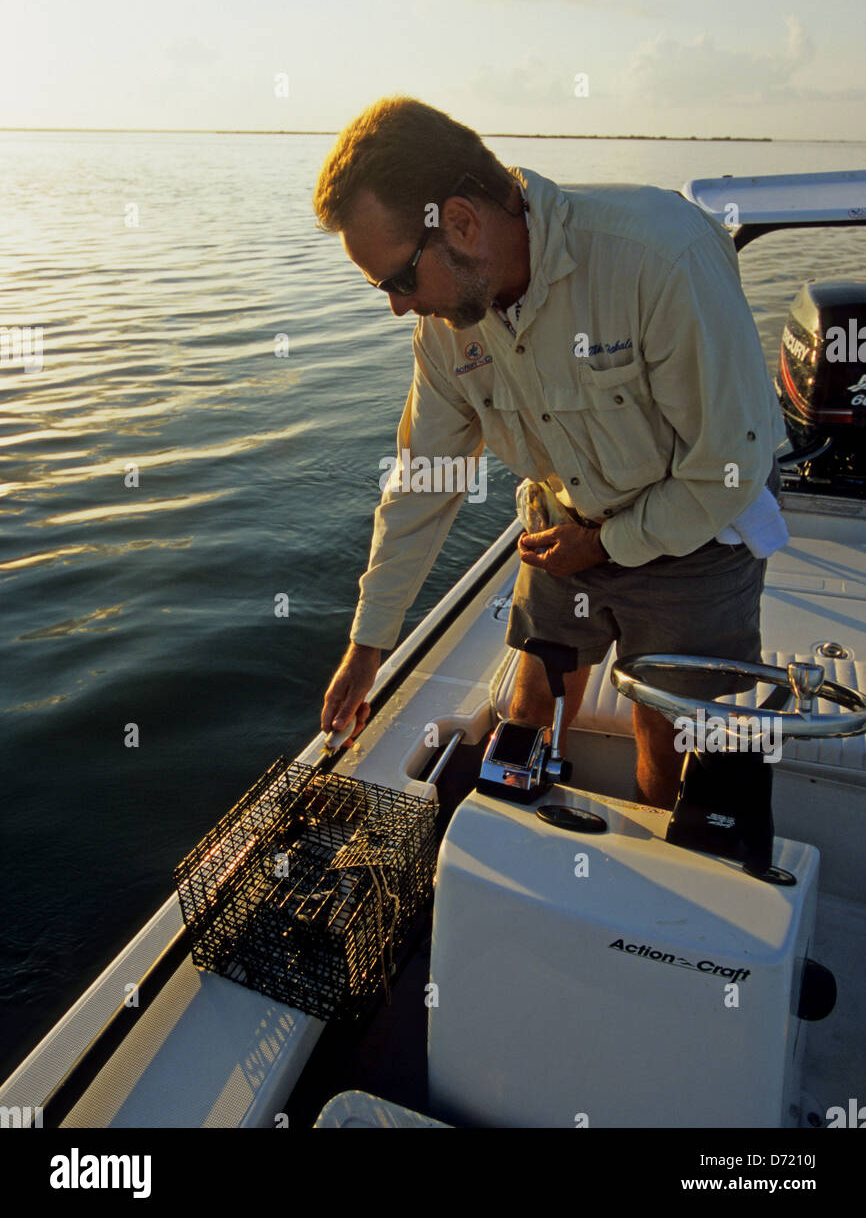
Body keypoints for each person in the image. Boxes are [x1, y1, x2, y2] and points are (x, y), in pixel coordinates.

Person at [313, 95, 787, 808]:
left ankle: (653, 893)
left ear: (463, 224)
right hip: (563, 520)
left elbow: (729, 468)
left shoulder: (658, 257)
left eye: (400, 280)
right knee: (526, 708)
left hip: (695, 531)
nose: (399, 307)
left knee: (663, 734)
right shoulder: (448, 328)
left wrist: (601, 545)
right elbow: (424, 482)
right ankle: (534, 855)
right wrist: (368, 643)